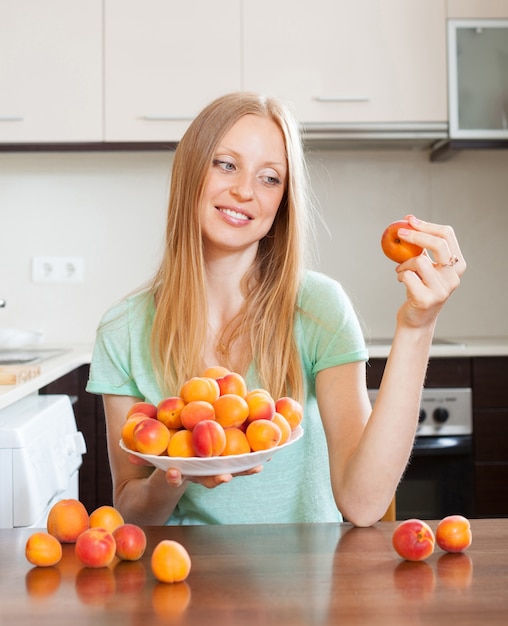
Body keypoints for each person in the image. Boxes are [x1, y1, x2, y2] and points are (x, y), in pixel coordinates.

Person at [86, 92, 466, 527]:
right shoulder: (123, 330)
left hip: (308, 583)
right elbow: (131, 510)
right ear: (190, 170)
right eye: (226, 164)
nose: (244, 190)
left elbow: (363, 505)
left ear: (282, 202)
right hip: (184, 579)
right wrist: (177, 474)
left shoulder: (319, 308)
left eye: (270, 178)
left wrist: (417, 326)